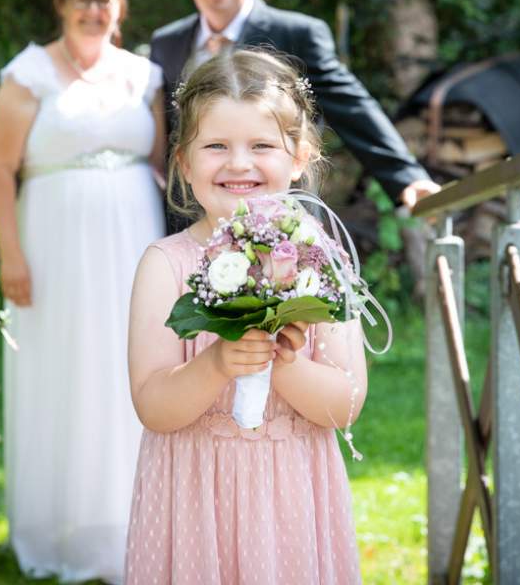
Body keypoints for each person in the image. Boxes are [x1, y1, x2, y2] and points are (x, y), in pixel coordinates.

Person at [125, 49, 365, 584]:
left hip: (291, 496)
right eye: (216, 147)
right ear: (184, 163)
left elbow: (346, 404)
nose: (239, 164)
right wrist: (216, 363)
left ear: (300, 156)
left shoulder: (320, 260)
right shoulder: (166, 266)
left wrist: (285, 363)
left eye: (261, 145)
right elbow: (153, 406)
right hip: (194, 499)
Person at [0, 0, 165, 583]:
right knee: (62, 371)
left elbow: (163, 166)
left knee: (129, 367)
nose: (94, 10)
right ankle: (54, 530)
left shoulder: (145, 76)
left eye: (105, 0)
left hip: (134, 237)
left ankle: (130, 522)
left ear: (120, 8)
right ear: (61, 3)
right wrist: (10, 253)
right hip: (53, 242)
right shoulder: (28, 75)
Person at [150, 0, 440, 222]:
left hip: (278, 215)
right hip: (189, 217)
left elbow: (354, 108)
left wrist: (406, 177)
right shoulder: (167, 43)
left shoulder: (297, 34)